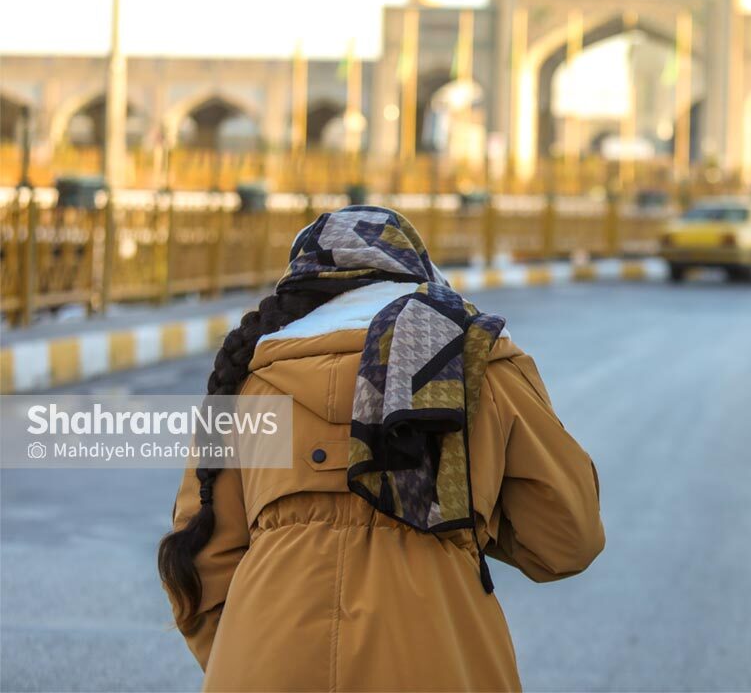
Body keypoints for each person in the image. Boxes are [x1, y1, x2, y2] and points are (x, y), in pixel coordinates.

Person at [158, 205, 604, 692]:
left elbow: (200, 563)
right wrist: (462, 523)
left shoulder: (250, 385)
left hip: (261, 666)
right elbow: (567, 539)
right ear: (418, 277)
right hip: (437, 665)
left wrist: (250, 649)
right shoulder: (479, 365)